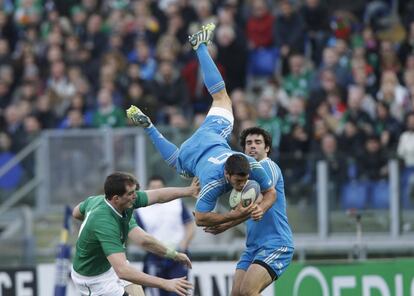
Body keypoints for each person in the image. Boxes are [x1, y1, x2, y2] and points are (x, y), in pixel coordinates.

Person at [127, 23, 276, 228]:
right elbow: (200, 219)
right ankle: (149, 127)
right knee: (180, 165)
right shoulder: (213, 184)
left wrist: (260, 207)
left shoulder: (250, 165)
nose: (241, 185)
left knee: (222, 98)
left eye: (243, 181)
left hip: (210, 136)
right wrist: (234, 216)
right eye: (238, 182)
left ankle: (200, 46)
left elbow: (270, 192)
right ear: (226, 174)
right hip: (195, 153)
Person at [71, 171, 199, 296]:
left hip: (111, 265)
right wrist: (165, 283)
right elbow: (123, 272)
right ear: (116, 198)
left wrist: (189, 190)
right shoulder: (105, 223)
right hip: (94, 280)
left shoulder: (118, 202)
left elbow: (158, 196)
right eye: (131, 193)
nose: (135, 196)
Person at [205, 127, 294, 295]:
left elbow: (262, 198)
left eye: (258, 142)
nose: (253, 146)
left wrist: (224, 223)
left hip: (276, 243)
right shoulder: (245, 176)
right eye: (249, 143)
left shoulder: (268, 166)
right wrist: (225, 222)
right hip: (253, 246)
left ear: (267, 148)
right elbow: (244, 210)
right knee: (237, 293)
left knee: (248, 291)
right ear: (244, 149)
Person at [134, 175, 196, 296]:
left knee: (178, 292)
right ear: (147, 189)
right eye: (153, 187)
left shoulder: (176, 203)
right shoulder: (140, 209)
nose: (156, 190)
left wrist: (183, 244)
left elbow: (190, 225)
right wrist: (151, 248)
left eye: (159, 187)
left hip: (178, 255)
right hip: (155, 256)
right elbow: (138, 235)